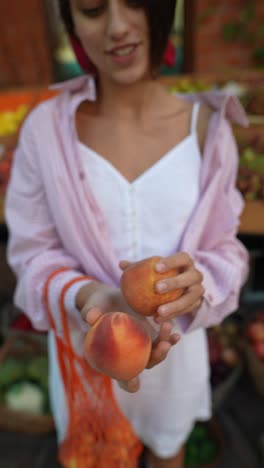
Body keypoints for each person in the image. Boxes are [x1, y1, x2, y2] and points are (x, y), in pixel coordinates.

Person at [5, 0, 249, 467]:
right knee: (92, 456)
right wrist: (87, 296)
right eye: (94, 9)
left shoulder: (208, 131)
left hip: (175, 359)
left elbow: (227, 252)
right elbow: (32, 254)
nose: (118, 27)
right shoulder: (44, 131)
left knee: (167, 453)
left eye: (135, 2)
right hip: (85, 354)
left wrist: (200, 281)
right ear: (71, 22)